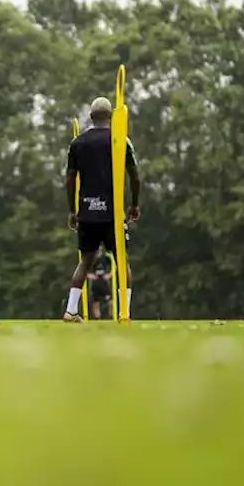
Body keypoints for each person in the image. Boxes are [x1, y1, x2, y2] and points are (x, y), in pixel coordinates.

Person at [63, 97, 140, 323]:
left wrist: (72, 209)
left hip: (87, 209)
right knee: (121, 259)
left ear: (91, 117)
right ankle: (124, 311)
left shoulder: (77, 143)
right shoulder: (121, 140)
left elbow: (69, 178)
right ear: (112, 117)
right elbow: (135, 175)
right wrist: (134, 203)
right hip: (113, 212)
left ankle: (70, 310)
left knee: (85, 260)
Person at [86, 246, 115, 320]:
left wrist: (110, 274)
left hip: (104, 282)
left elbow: (115, 264)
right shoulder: (91, 258)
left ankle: (111, 316)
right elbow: (83, 267)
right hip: (95, 282)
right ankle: (97, 318)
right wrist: (89, 275)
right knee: (96, 302)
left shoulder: (106, 257)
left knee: (110, 300)